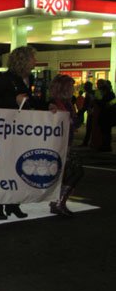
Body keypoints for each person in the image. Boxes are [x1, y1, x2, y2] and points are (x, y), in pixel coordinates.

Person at [0, 46, 42, 220]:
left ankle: (13, 204)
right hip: (6, 131)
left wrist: (48, 106)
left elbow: (31, 101)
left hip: (21, 131)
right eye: (32, 58)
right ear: (23, 60)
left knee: (19, 168)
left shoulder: (28, 78)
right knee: (2, 169)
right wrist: (13, 100)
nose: (35, 61)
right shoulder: (5, 79)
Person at [47, 75, 84, 216]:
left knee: (70, 173)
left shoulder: (68, 103)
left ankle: (59, 202)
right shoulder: (54, 103)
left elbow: (74, 123)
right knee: (74, 172)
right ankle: (59, 202)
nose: (73, 89)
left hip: (67, 142)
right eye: (71, 86)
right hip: (58, 144)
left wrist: (80, 112)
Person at [93, 79, 115, 152]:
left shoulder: (108, 94)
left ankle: (106, 146)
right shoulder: (110, 94)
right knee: (106, 132)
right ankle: (105, 146)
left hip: (106, 116)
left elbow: (104, 104)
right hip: (107, 115)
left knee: (106, 132)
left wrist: (96, 100)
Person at [80, 81, 96, 146]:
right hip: (91, 112)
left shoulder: (90, 94)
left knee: (90, 128)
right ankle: (88, 142)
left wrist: (82, 111)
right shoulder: (90, 93)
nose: (84, 88)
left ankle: (88, 142)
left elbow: (87, 104)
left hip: (93, 113)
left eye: (85, 86)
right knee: (90, 128)